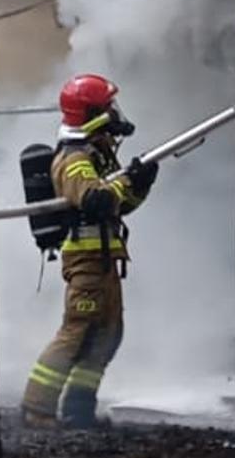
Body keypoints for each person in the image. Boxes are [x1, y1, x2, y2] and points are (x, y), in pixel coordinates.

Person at [22, 73, 158, 429]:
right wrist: (129, 179)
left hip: (104, 261)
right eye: (107, 106)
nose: (114, 112)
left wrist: (140, 184)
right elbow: (95, 200)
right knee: (77, 331)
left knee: (108, 334)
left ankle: (79, 410)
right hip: (86, 262)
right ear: (92, 113)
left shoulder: (97, 154)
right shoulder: (75, 158)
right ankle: (37, 411)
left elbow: (119, 205)